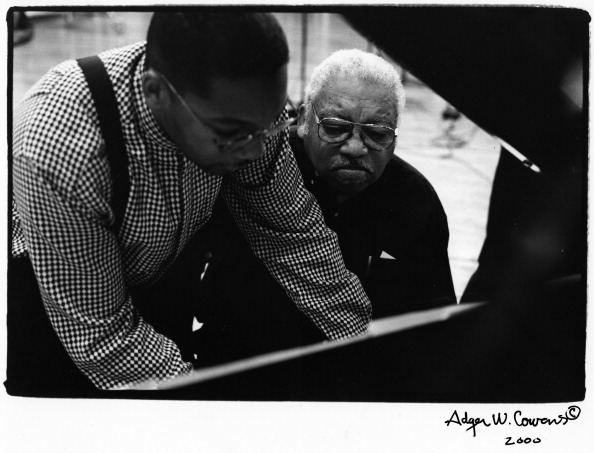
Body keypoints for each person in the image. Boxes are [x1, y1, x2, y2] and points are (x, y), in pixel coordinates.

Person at [8, 12, 372, 395]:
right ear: (155, 93)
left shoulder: (247, 114)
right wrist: (203, 407)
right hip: (62, 310)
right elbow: (105, 339)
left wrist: (363, 341)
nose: (256, 150)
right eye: (230, 135)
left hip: (164, 283)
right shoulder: (59, 148)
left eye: (269, 125)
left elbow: (291, 233)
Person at [194, 49, 456, 365]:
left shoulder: (416, 203)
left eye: (377, 133)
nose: (356, 147)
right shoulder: (260, 165)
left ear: (395, 136)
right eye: (334, 127)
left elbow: (430, 328)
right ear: (304, 119)